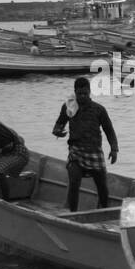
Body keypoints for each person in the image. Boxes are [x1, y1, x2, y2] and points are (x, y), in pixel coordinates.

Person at [52, 77, 119, 211]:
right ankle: (73, 214)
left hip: (94, 151)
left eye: (85, 94)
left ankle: (105, 211)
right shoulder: (69, 107)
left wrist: (114, 149)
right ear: (75, 92)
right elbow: (58, 125)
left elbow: (109, 130)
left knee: (102, 185)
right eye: (79, 94)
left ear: (90, 92)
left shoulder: (99, 109)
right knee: (74, 182)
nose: (83, 96)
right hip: (76, 152)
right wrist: (58, 131)